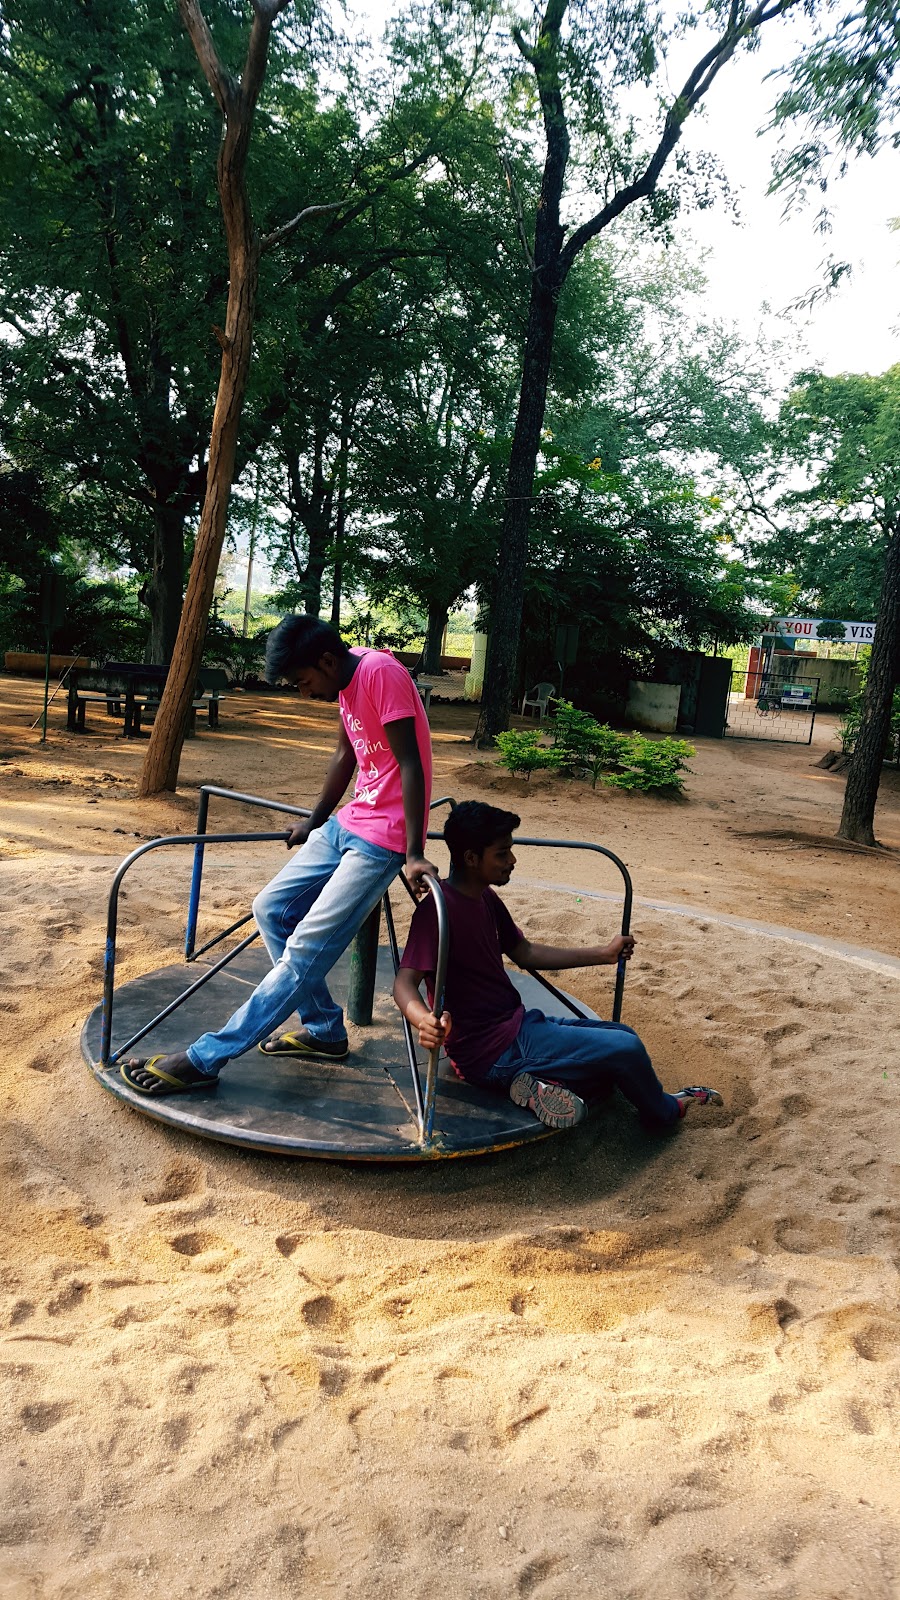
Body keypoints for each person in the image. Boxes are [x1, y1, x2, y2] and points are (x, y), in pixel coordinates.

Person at [122, 616, 436, 1096]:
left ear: (327, 661)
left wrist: (413, 852)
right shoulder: (346, 685)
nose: (306, 694)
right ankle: (326, 1030)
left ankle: (206, 1058)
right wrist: (314, 821)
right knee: (270, 908)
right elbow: (345, 757)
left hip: (384, 838)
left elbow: (410, 762)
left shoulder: (380, 673)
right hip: (349, 821)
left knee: (305, 949)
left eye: (305, 681)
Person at [393, 801, 723, 1131]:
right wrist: (424, 1020)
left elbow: (525, 952)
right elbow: (404, 983)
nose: (512, 860)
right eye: (502, 853)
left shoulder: (485, 898)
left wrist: (604, 954)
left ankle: (536, 1086)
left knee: (622, 1035)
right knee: (627, 1050)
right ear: (471, 858)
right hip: (493, 1050)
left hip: (515, 1026)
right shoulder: (436, 912)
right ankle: (668, 1111)